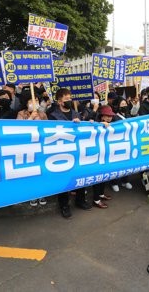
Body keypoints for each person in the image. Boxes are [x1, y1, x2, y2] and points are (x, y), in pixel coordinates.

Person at [49, 89, 92, 219]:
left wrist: (88, 124)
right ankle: (64, 205)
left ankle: (80, 200)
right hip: (61, 152)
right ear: (59, 101)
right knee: (64, 179)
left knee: (79, 176)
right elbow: (51, 133)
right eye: (66, 99)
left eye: (70, 98)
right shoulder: (53, 115)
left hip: (76, 151)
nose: (69, 100)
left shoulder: (75, 113)